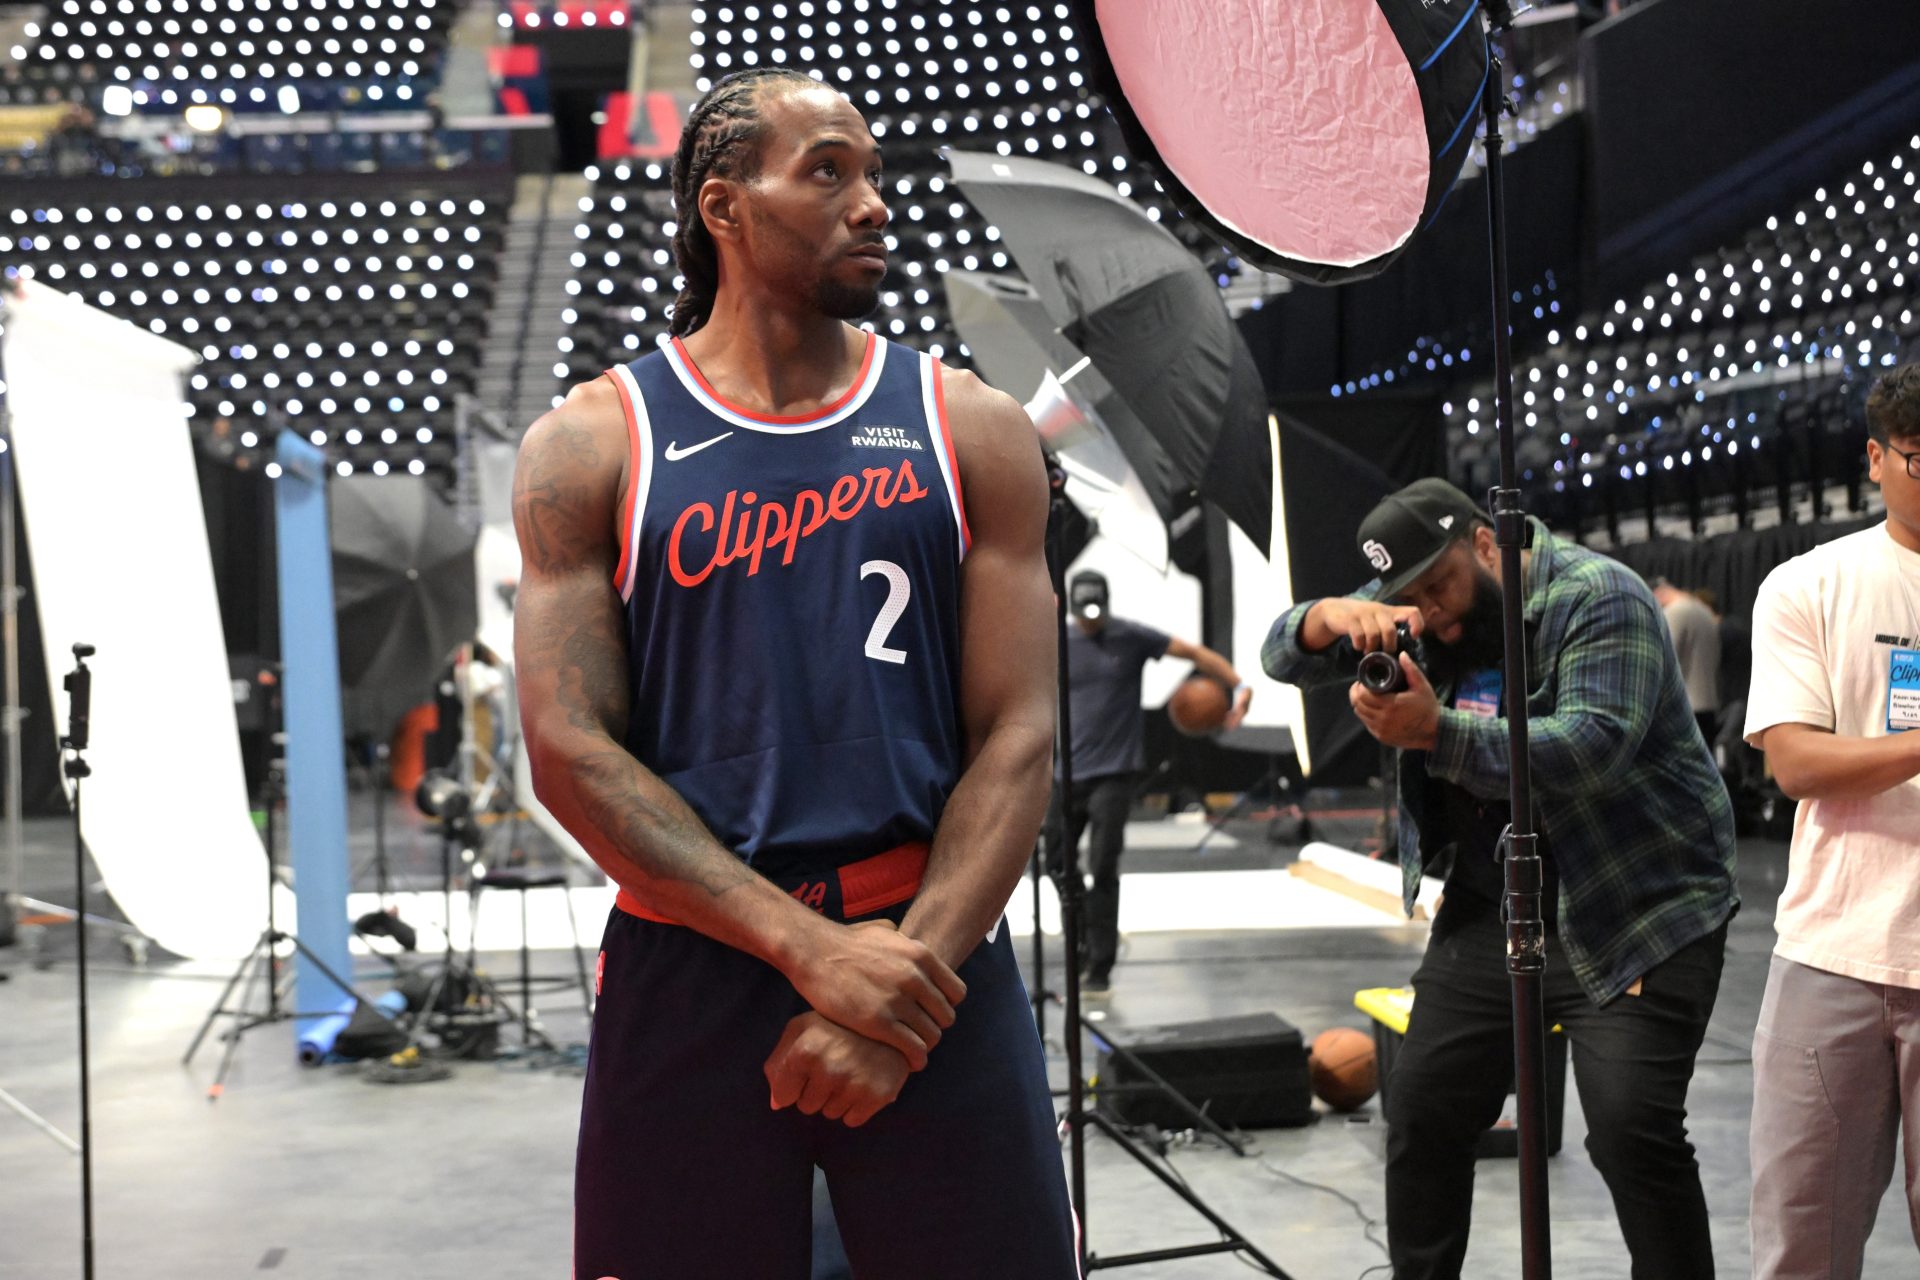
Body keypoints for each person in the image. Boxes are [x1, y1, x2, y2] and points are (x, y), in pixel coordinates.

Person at [512, 68, 1077, 1278]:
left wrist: (902, 990)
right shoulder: (590, 442)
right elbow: (568, 750)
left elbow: (1021, 731)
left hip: (930, 946)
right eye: (828, 171)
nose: (873, 202)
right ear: (723, 206)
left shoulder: (970, 424)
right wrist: (812, 952)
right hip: (693, 960)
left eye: (872, 172)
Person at [1262, 477, 1738, 1280]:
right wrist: (1327, 617)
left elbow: (1591, 746)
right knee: (1422, 1110)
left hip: (1638, 908)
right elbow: (1281, 655)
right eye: (1408, 597)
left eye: (1441, 586)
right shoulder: (1414, 609)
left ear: (1486, 543)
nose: (1433, 613)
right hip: (1496, 905)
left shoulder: (1599, 597)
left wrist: (1433, 733)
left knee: (1630, 1132)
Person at [1745, 363, 1920, 1278]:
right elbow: (1797, 762)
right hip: (1834, 953)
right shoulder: (1809, 583)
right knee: (1801, 1248)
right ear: (1876, 459)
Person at [1052, 569, 1251, 995]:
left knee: (1103, 864)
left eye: (1096, 610)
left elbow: (1193, 652)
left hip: (1114, 771)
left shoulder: (1130, 637)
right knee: (1057, 863)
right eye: (1083, 611)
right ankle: (1082, 941)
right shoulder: (1057, 641)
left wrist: (1239, 686)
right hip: (1065, 772)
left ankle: (1100, 964)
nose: (1090, 619)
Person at [1651, 576, 1723, 743]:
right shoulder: (1703, 610)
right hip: (1709, 706)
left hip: (1683, 710)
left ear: (1658, 594)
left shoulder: (1673, 613)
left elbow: (1665, 660)